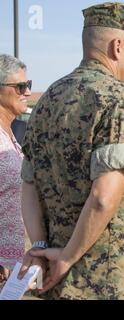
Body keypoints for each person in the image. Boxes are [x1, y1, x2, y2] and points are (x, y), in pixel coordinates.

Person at [18, 2, 124, 300]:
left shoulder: (48, 100)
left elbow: (29, 186)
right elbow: (102, 197)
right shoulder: (121, 101)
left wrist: (43, 249)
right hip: (108, 279)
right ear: (117, 47)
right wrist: (69, 256)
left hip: (53, 278)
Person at [0, 54, 31, 286]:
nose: (27, 92)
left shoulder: (11, 136)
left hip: (12, 269)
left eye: (27, 85)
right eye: (21, 86)